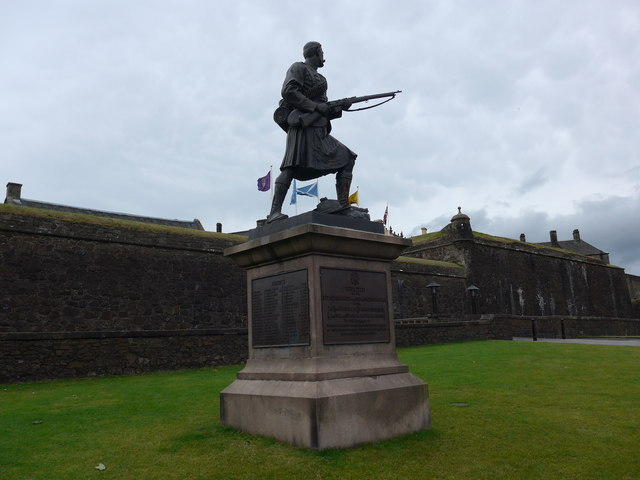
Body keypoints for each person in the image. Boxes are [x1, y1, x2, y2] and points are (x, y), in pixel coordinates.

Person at [267, 41, 356, 223]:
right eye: (322, 52)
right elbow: (289, 91)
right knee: (291, 168)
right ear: (315, 52)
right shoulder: (298, 68)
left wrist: (341, 107)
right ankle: (274, 213)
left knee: (348, 158)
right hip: (302, 127)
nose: (324, 56)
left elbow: (324, 109)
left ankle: (343, 206)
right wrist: (314, 106)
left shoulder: (322, 80)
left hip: (319, 130)